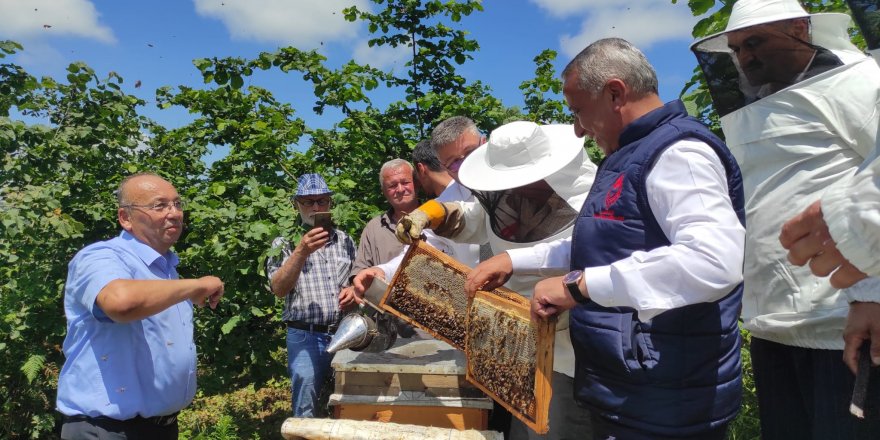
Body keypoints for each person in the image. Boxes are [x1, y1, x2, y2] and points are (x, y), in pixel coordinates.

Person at [691, 0, 880, 437]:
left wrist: (874, 291)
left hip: (846, 328)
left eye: (755, 42)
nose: (745, 57)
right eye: (737, 49)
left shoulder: (858, 81)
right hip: (775, 329)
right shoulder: (754, 109)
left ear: (800, 29)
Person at [396, 119, 597, 440]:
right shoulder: (506, 198)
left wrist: (514, 262)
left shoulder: (588, 196)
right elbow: (468, 214)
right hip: (518, 344)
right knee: (521, 432)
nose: (513, 189)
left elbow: (593, 258)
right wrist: (428, 213)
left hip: (573, 352)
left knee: (556, 430)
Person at [57, 173, 224, 439]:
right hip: (108, 430)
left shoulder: (166, 269)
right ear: (126, 218)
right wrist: (197, 286)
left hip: (159, 428)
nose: (175, 213)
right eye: (160, 206)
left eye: (178, 204)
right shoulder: (100, 256)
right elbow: (121, 302)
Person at [266, 173, 355, 417]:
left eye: (322, 201)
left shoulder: (345, 240)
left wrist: (354, 289)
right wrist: (301, 251)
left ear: (329, 204)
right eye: (308, 201)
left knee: (346, 403)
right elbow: (278, 289)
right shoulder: (282, 243)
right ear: (296, 204)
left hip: (344, 333)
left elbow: (358, 280)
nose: (315, 207)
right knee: (305, 407)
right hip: (305, 335)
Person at [350, 159, 420, 278]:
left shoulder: (437, 219)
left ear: (417, 183)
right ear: (383, 191)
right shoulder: (373, 228)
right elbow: (360, 271)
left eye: (405, 182)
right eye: (392, 185)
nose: (400, 189)